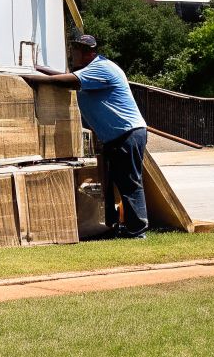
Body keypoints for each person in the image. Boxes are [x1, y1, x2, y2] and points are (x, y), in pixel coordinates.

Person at [31, 34, 149, 238]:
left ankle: (137, 230)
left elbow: (65, 81)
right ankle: (118, 227)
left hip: (126, 133)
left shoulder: (102, 68)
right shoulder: (92, 70)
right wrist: (39, 69)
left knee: (129, 182)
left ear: (89, 53)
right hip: (117, 136)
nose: (73, 53)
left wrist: (28, 78)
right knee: (117, 182)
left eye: (77, 50)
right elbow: (63, 76)